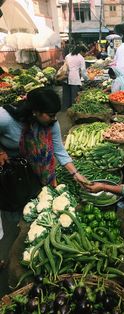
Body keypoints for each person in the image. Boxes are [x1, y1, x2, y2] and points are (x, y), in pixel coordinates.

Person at [0, 87, 89, 264]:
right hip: (7, 170)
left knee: (29, 209)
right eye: (50, 114)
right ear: (35, 112)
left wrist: (76, 174)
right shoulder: (5, 118)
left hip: (30, 170)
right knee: (9, 205)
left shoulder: (50, 124)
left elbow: (59, 150)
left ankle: (23, 241)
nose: (55, 119)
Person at [63, 45, 88, 109]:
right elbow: (83, 71)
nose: (84, 54)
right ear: (81, 51)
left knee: (66, 95)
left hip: (65, 77)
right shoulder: (81, 58)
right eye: (84, 53)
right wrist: (86, 79)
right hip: (74, 78)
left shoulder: (68, 56)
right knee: (74, 96)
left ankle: (66, 109)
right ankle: (73, 110)